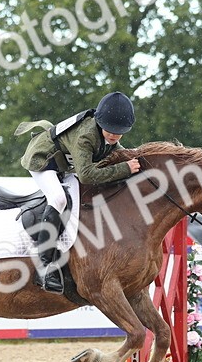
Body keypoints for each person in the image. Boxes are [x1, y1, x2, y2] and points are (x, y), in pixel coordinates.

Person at [16, 91, 142, 293]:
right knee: (58, 199)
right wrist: (125, 169)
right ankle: (45, 265)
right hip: (43, 160)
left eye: (119, 132)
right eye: (109, 130)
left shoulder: (108, 135)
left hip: (64, 163)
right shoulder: (86, 135)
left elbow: (120, 154)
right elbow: (86, 175)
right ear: (100, 123)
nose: (113, 135)